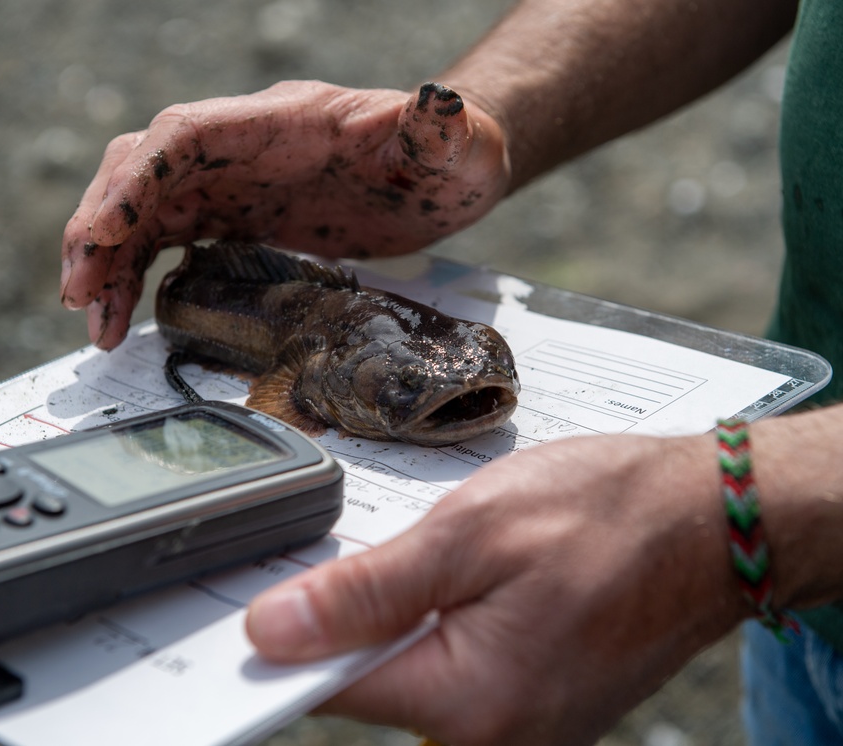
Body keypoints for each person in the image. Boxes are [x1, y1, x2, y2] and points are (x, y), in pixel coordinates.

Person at [60, 0, 843, 743]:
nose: (474, 393)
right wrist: (470, 129)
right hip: (793, 613)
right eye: (408, 387)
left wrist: (741, 511)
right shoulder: (306, 350)